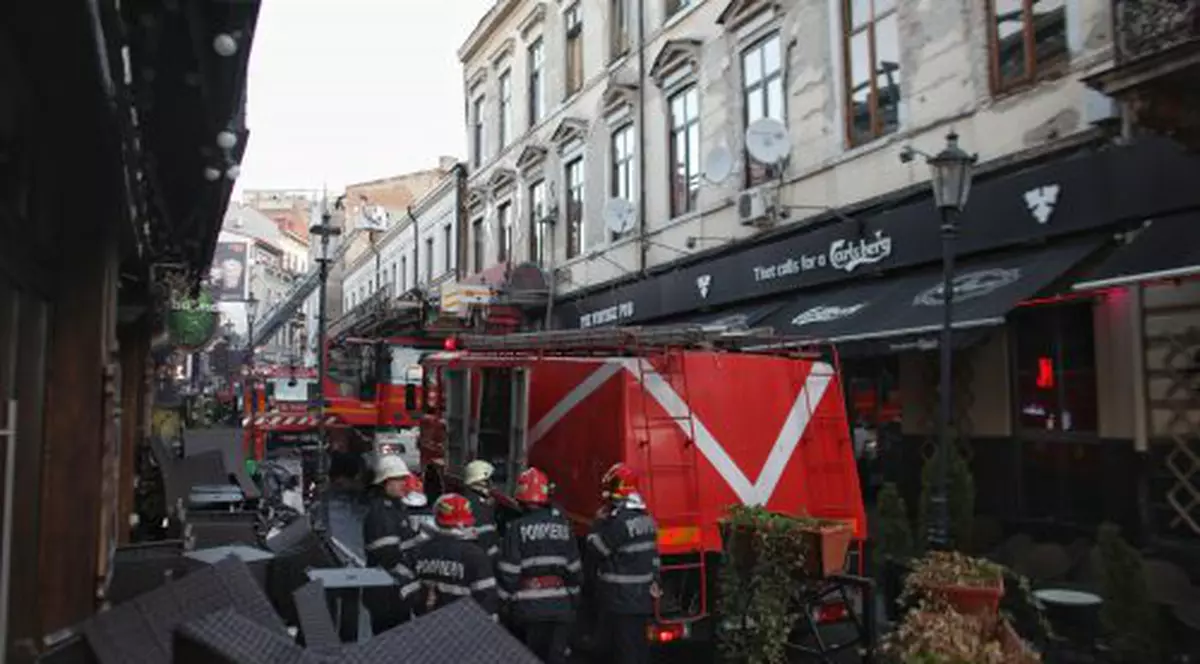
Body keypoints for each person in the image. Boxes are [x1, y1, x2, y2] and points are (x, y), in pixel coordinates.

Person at [498, 468, 581, 664]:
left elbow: (509, 573)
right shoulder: (564, 526)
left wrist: (502, 604)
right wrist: (573, 602)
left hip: (528, 610)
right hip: (560, 608)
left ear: (521, 498)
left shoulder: (516, 529)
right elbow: (575, 570)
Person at [586, 463, 660, 664]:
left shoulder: (618, 523)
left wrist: (597, 524)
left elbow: (597, 549)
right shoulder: (648, 520)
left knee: (623, 652)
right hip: (642, 600)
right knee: (639, 650)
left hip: (621, 601)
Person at [402, 493, 499, 619]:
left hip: (425, 625)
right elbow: (487, 600)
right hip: (462, 626)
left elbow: (405, 589)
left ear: (437, 519)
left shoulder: (419, 550)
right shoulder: (475, 555)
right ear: (466, 522)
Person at [362, 455, 415, 634]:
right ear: (385, 482)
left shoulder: (395, 508)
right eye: (398, 479)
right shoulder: (381, 513)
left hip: (395, 590)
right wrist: (411, 575)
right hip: (386, 593)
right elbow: (388, 557)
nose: (403, 483)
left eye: (404, 478)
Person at [462, 459, 500, 560]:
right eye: (489, 480)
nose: (492, 484)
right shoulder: (482, 509)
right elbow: (488, 544)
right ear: (480, 482)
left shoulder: (463, 501)